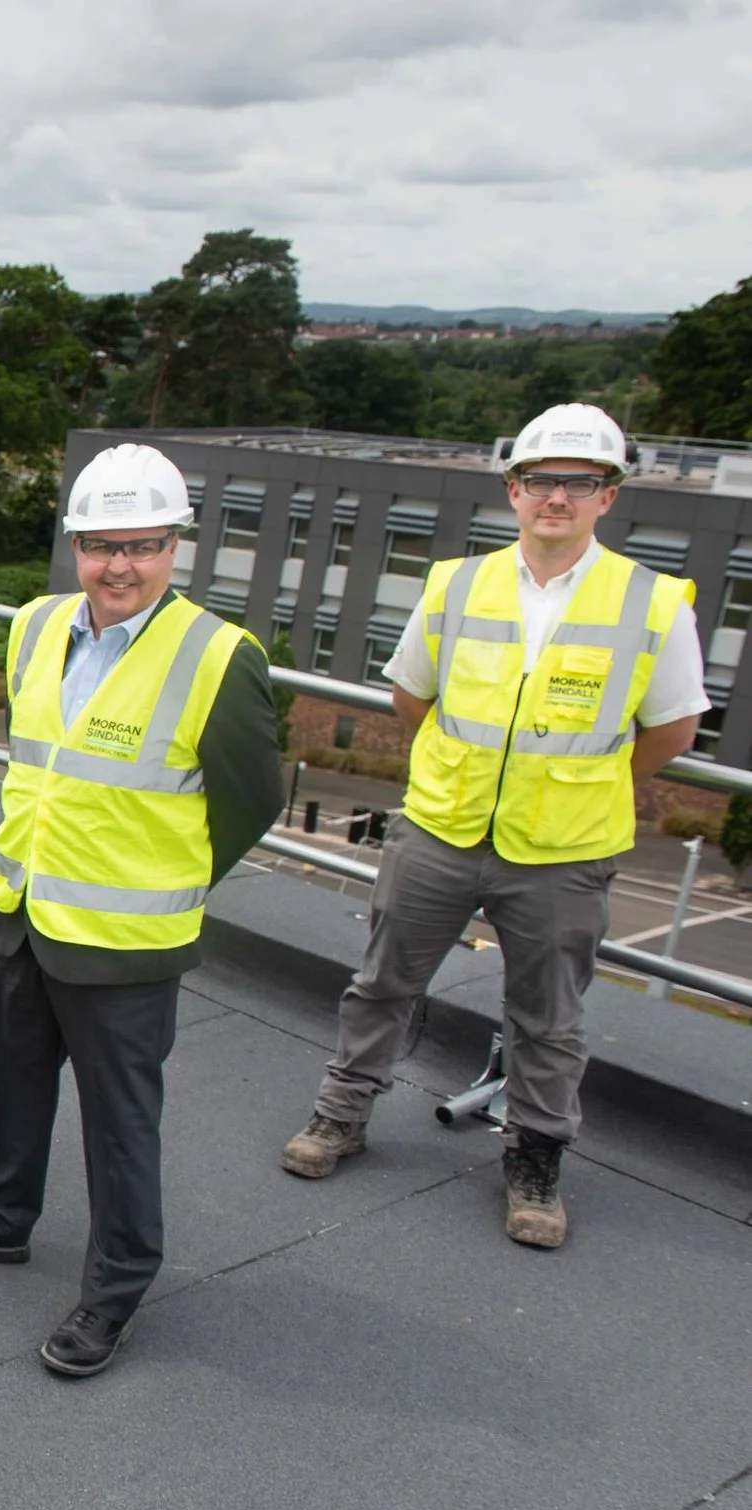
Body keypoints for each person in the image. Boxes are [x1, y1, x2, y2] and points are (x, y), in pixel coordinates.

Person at [0, 444, 281, 1378]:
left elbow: (251, 801)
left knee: (119, 1123)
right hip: (25, 908)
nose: (119, 565)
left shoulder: (219, 657)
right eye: (102, 544)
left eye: (142, 545)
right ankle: (1, 1215)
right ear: (74, 544)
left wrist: (162, 878)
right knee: (16, 1083)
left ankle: (116, 1285)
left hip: (125, 941)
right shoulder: (36, 627)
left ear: (176, 545)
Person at [279, 405, 707, 1248]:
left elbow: (673, 730)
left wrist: (582, 785)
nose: (558, 496)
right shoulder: (458, 583)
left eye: (579, 482)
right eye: (542, 479)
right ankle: (341, 1115)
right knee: (382, 986)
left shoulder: (655, 603)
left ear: (608, 497)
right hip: (441, 827)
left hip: (565, 851)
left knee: (548, 1017)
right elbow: (413, 694)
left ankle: (535, 1162)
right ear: (514, 490)